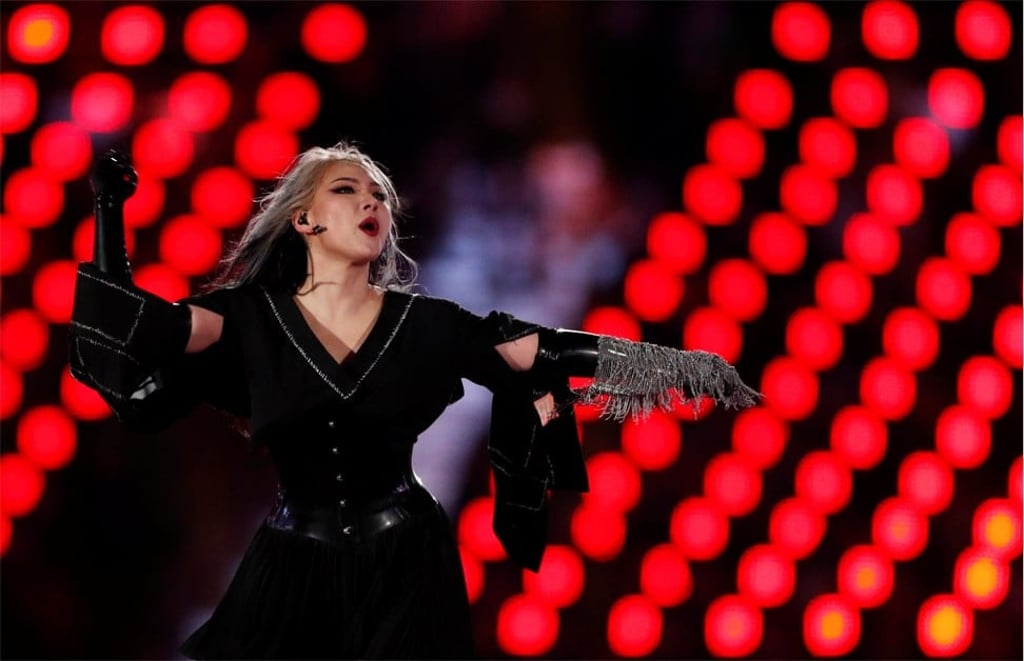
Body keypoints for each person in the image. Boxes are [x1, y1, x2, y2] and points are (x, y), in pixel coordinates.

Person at [69, 142, 759, 659]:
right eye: (349, 190)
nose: (372, 203)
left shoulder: (426, 326)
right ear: (304, 220)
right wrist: (107, 211)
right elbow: (125, 337)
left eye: (379, 194)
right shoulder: (247, 320)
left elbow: (546, 351)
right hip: (294, 562)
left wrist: (681, 367)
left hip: (405, 561)